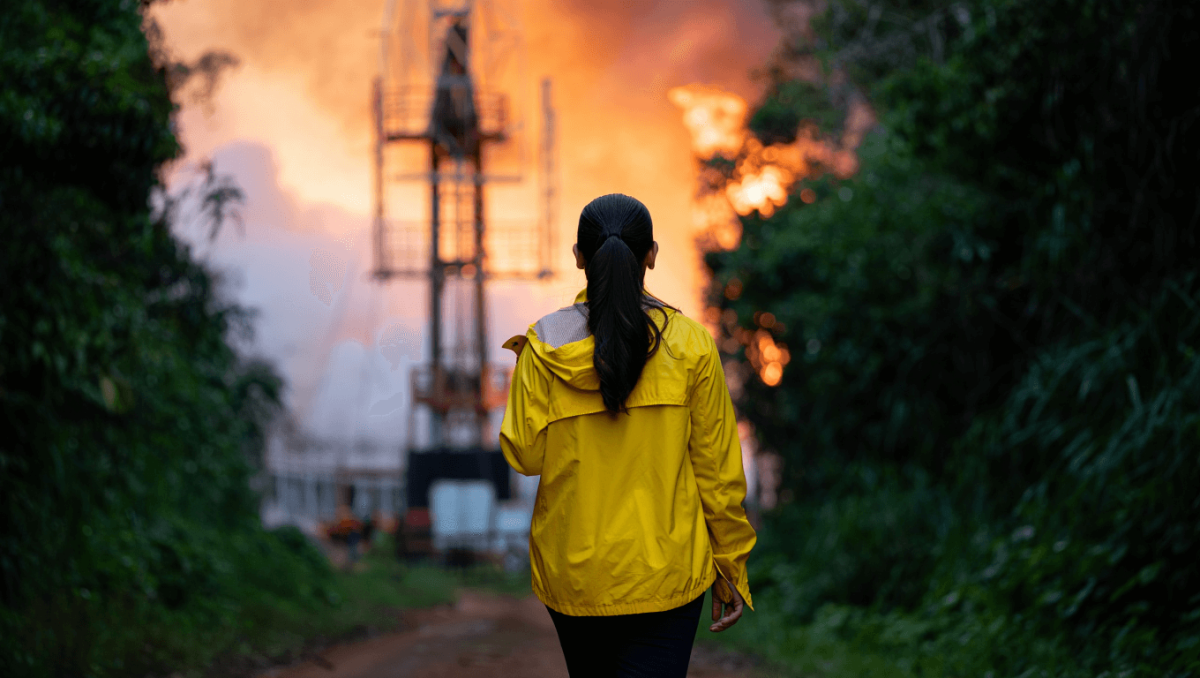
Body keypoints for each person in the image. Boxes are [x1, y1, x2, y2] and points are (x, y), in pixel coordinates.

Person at [500, 194, 757, 678]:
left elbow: (525, 455)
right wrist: (731, 567)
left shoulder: (545, 344)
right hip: (667, 574)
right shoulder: (691, 345)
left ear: (579, 257)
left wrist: (536, 380)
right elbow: (718, 475)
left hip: (576, 576)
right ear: (652, 255)